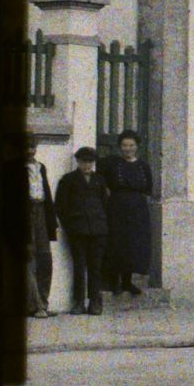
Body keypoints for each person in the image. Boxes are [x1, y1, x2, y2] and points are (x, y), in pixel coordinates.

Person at [55, 146, 110, 315]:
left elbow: (105, 203)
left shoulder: (99, 180)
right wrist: (70, 225)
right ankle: (78, 302)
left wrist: (102, 222)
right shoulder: (68, 180)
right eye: (83, 162)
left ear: (93, 163)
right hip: (78, 230)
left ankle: (95, 302)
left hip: (97, 230)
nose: (87, 165)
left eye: (90, 162)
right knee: (79, 266)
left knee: (95, 267)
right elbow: (60, 205)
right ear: (77, 162)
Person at [102, 129, 155, 296]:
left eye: (131, 145)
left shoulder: (143, 166)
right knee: (117, 241)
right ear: (119, 146)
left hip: (137, 208)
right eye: (124, 145)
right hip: (117, 207)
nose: (128, 148)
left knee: (133, 243)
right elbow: (102, 179)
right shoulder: (113, 163)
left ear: (137, 147)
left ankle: (127, 282)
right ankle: (113, 282)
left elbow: (148, 188)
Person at [23, 135, 58, 318]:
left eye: (33, 147)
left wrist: (51, 221)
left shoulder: (40, 167)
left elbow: (47, 193)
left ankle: (43, 303)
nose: (30, 151)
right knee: (29, 258)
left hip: (41, 212)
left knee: (45, 259)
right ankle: (35, 306)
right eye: (26, 147)